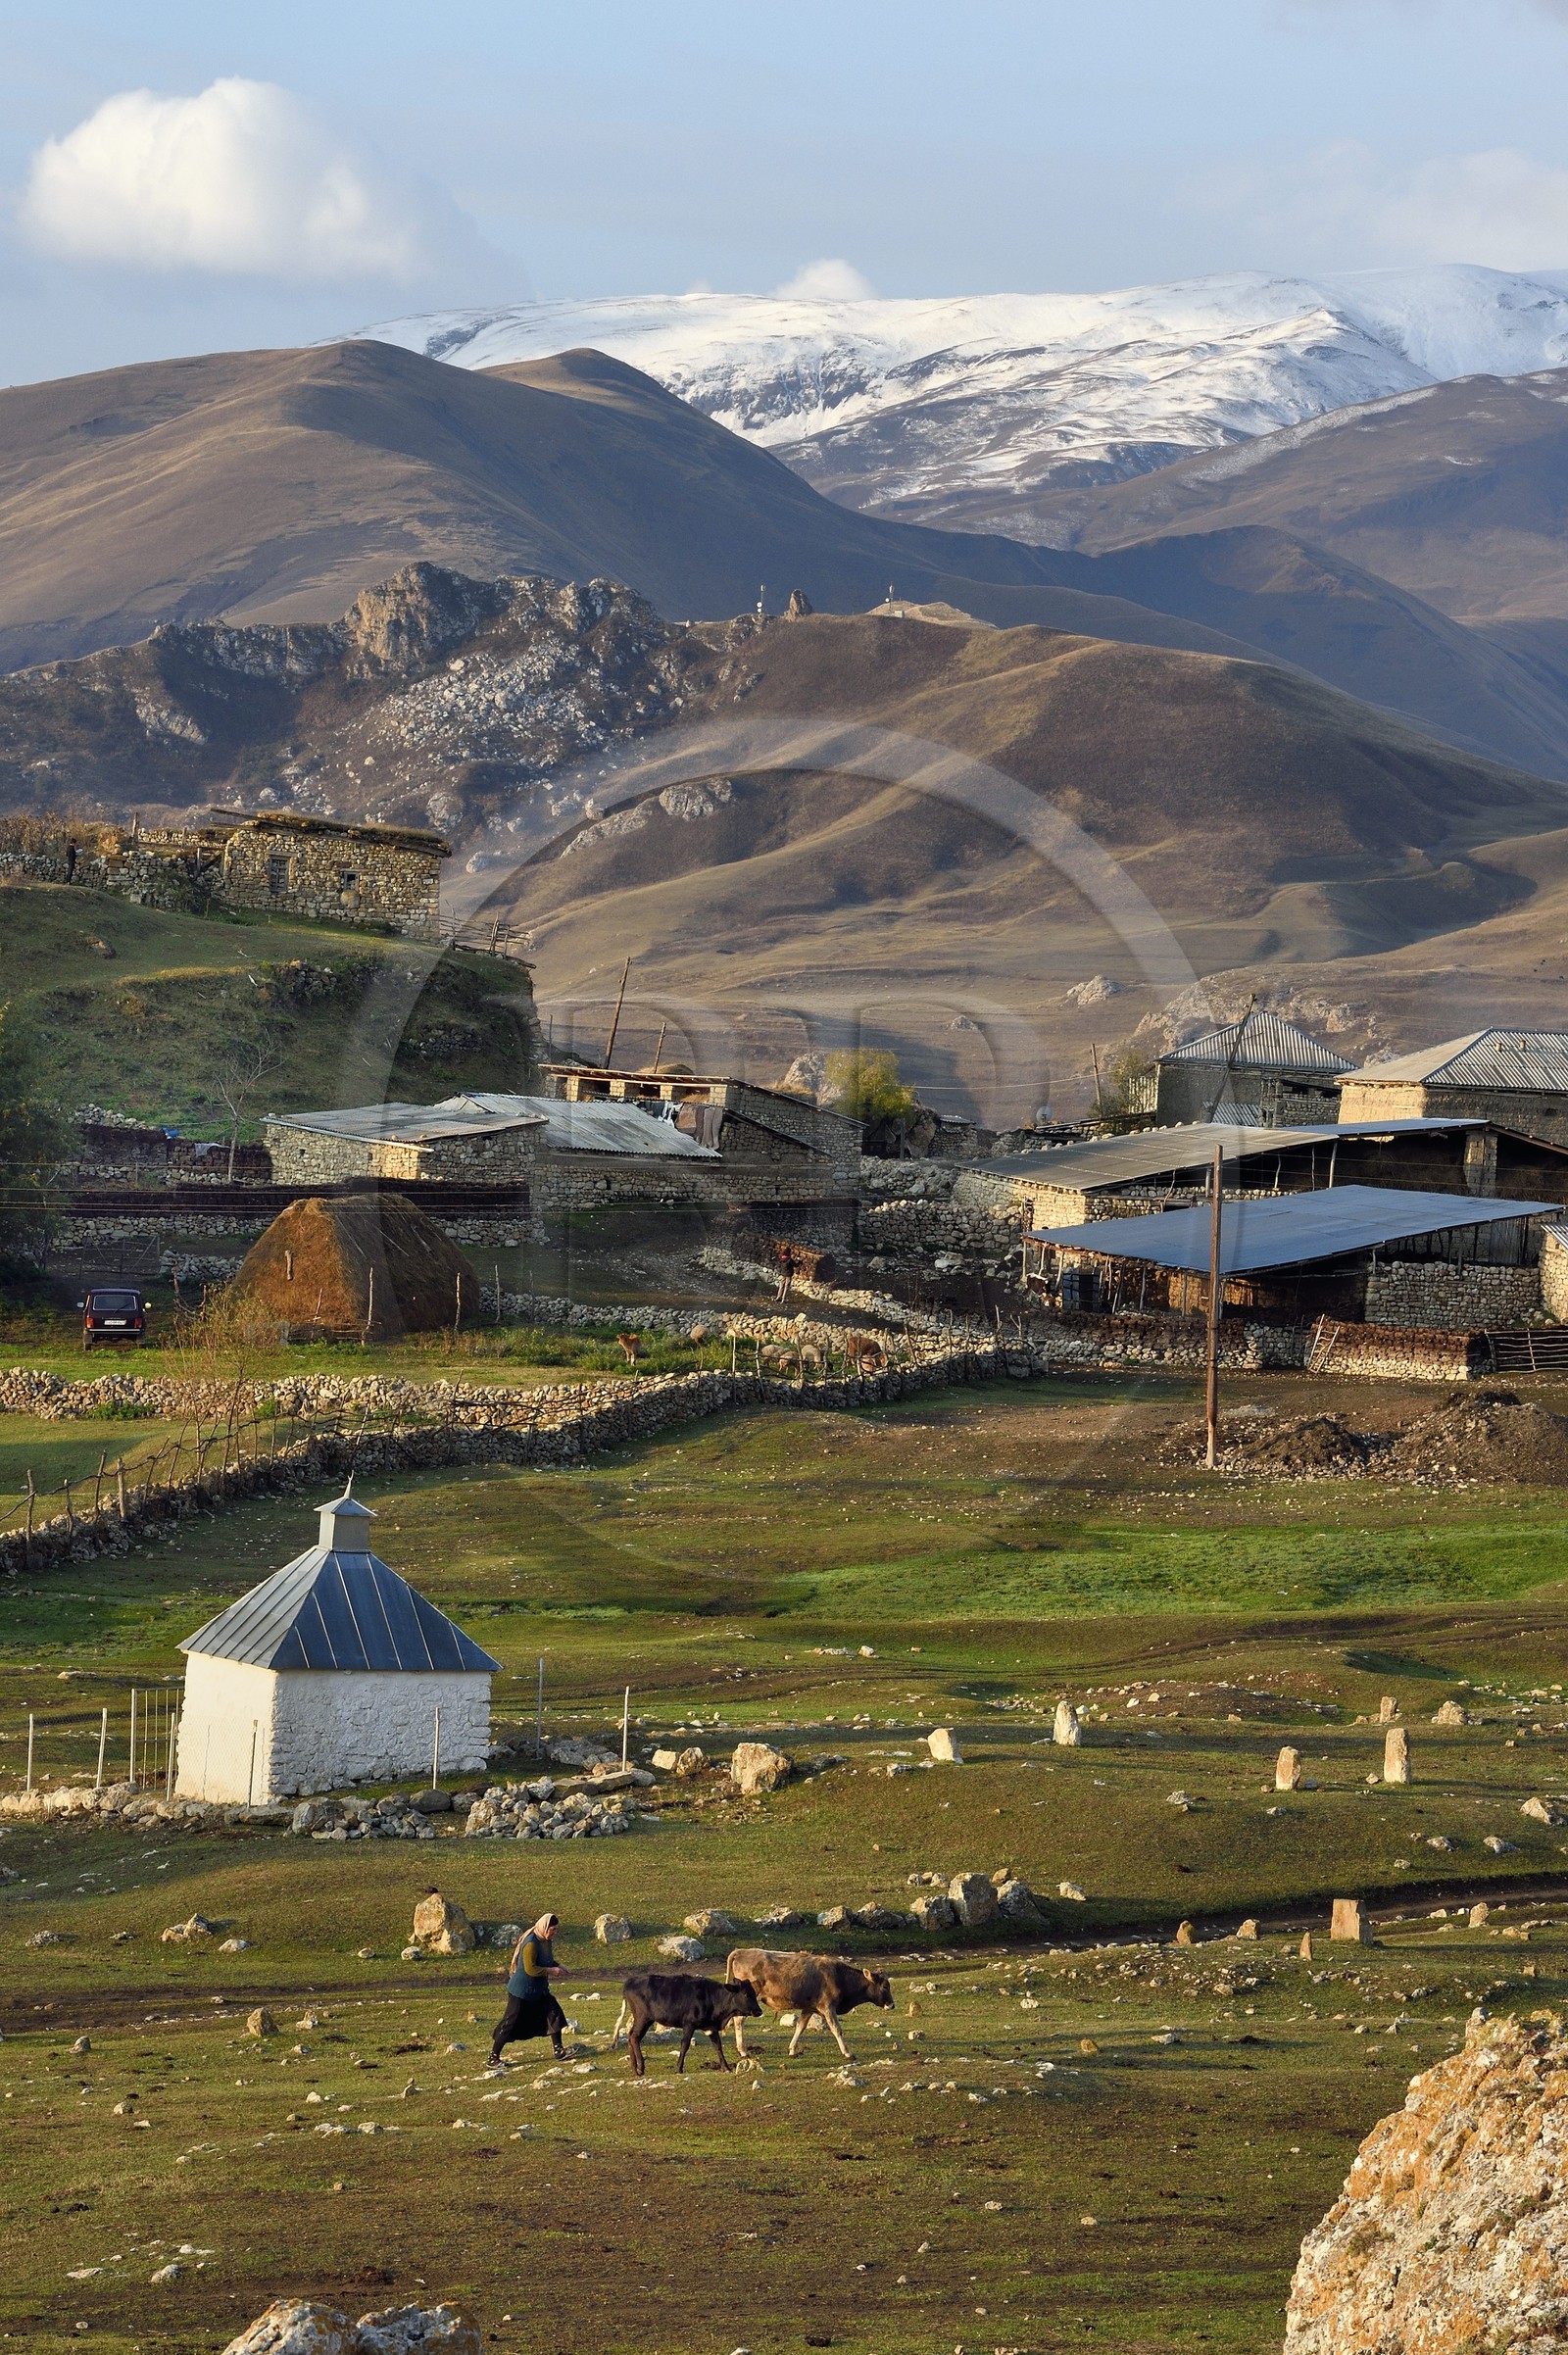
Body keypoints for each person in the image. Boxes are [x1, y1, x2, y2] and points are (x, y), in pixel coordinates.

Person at [490, 1912, 569, 2064]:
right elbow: (530, 1969)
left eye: (555, 1930)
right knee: (510, 2023)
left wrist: (559, 1966)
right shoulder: (531, 1943)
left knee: (554, 2012)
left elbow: (547, 1960)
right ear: (544, 1927)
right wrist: (551, 1971)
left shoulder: (546, 1940)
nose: (554, 1933)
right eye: (552, 1929)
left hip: (539, 1989)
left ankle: (558, 2049)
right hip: (522, 1991)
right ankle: (493, 2057)